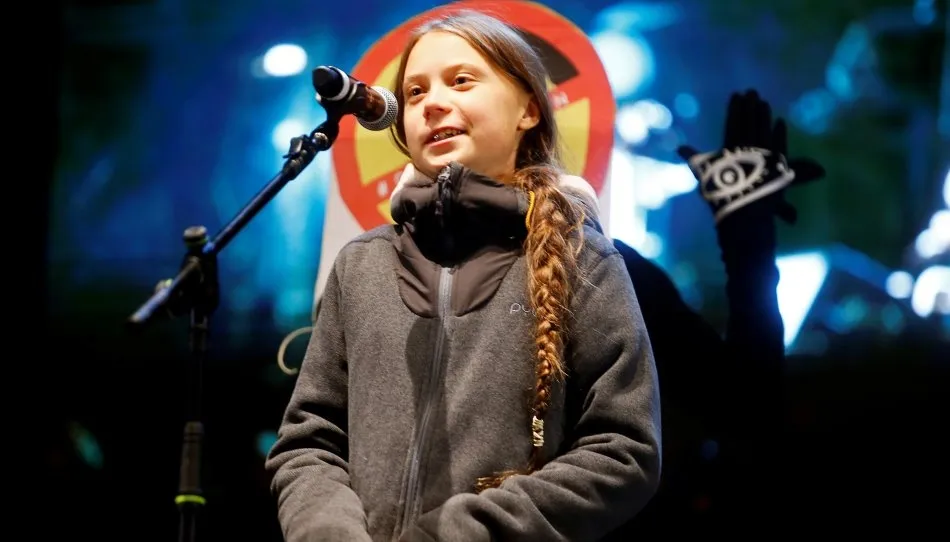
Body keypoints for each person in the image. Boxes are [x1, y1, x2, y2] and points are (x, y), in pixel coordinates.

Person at [265, 9, 662, 542]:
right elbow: (309, 441)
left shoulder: (583, 260)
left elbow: (624, 449)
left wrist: (459, 532)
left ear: (527, 108)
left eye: (461, 81)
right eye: (414, 93)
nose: (431, 102)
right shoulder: (360, 265)